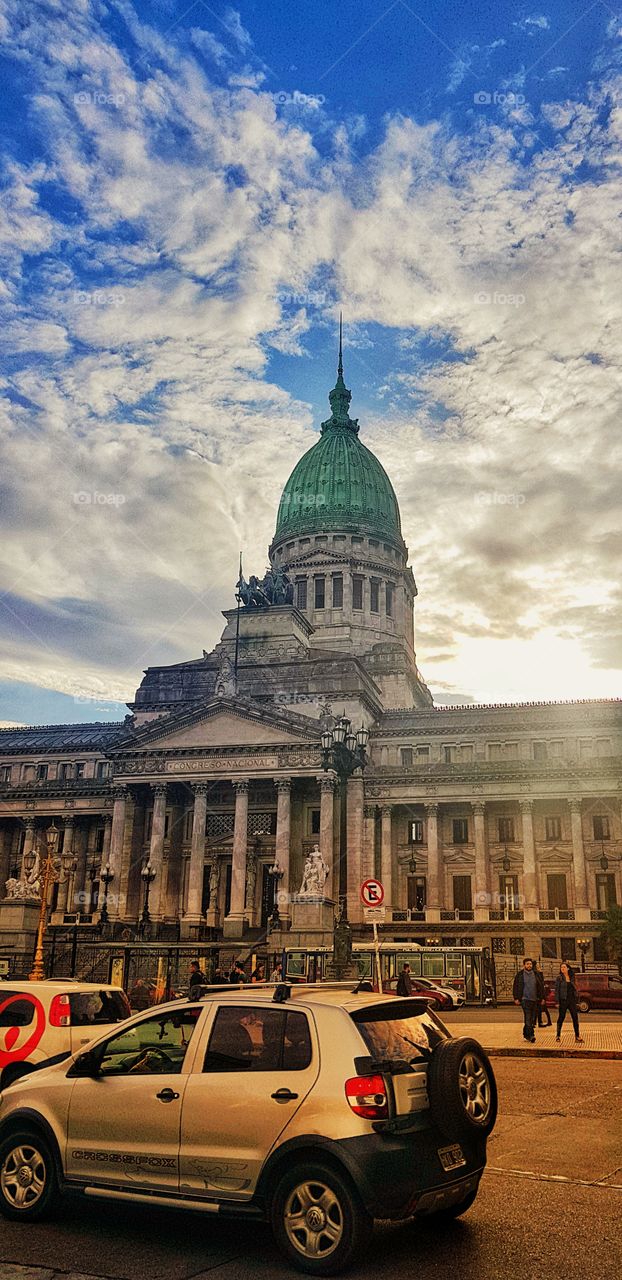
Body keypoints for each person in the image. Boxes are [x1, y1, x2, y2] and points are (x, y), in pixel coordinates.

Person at [512, 957, 544, 1043]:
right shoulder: (520, 975)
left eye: (530, 964)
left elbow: (541, 987)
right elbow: (515, 987)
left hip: (535, 999)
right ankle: (531, 1035)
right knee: (528, 1018)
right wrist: (516, 998)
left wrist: (542, 998)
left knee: (532, 1019)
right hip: (525, 999)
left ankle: (525, 1033)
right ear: (524, 965)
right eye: (527, 964)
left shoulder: (536, 974)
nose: (529, 965)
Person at [554, 962, 584, 1043]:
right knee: (561, 1017)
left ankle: (577, 1036)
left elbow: (575, 989)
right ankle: (558, 1035)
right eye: (561, 967)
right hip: (563, 1000)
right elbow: (557, 990)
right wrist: (557, 1001)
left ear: (568, 968)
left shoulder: (572, 977)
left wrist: (577, 1000)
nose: (562, 969)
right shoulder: (559, 978)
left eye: (564, 967)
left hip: (571, 1000)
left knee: (575, 1017)